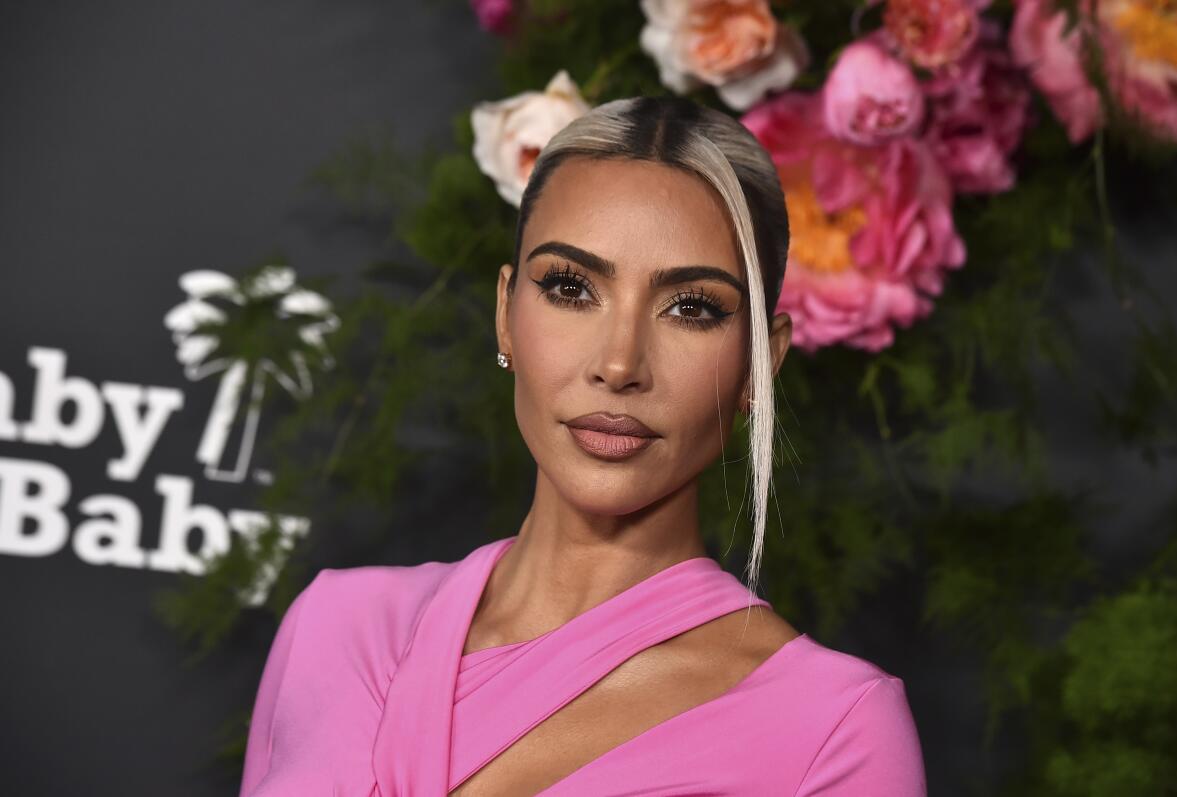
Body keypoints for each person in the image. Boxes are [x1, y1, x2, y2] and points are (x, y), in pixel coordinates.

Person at [238, 95, 926, 796]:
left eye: (692, 307)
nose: (620, 363)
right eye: (571, 287)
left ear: (760, 361)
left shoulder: (832, 729)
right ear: (506, 313)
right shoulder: (333, 626)